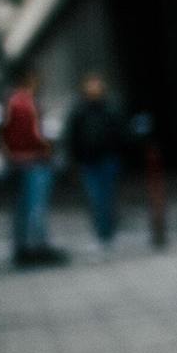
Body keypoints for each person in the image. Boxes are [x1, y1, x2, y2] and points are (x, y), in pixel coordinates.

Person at [0, 69, 60, 269]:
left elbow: (5, 133)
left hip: (18, 161)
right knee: (36, 205)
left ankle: (22, 248)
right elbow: (33, 133)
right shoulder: (25, 102)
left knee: (22, 207)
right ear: (30, 80)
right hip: (34, 160)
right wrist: (47, 148)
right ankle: (38, 247)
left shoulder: (11, 101)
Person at [63, 74, 127, 248]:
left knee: (108, 197)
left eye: (96, 86)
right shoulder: (79, 111)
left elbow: (120, 133)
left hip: (108, 159)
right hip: (88, 161)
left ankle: (109, 232)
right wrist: (74, 162)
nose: (93, 89)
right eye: (90, 86)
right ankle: (101, 233)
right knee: (95, 199)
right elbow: (72, 138)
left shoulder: (110, 108)